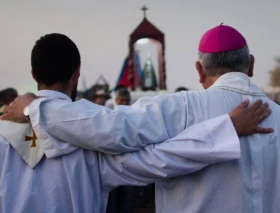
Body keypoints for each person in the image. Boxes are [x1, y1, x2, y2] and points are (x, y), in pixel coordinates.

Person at [0, 33, 271, 213]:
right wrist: (225, 130)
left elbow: (117, 127)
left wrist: (32, 109)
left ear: (34, 73)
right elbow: (160, 159)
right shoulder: (91, 147)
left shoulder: (3, 132)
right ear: (77, 73)